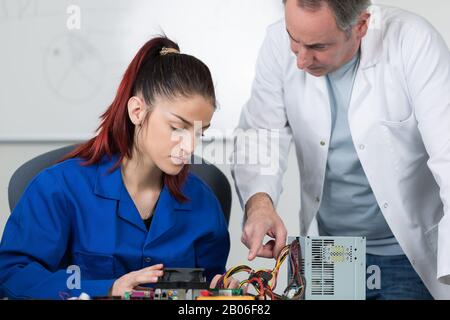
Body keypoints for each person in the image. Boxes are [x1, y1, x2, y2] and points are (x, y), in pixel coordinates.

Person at [232, 0, 450, 299]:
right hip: (331, 251)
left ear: (360, 26)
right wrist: (259, 204)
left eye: (317, 46)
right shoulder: (276, 43)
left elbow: (448, 153)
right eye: (294, 40)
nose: (300, 60)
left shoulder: (412, 42)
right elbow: (260, 134)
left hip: (407, 250)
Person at [0, 36, 230, 299]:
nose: (189, 147)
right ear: (137, 112)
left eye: (200, 132)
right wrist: (107, 288)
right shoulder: (58, 188)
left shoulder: (203, 204)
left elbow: (210, 288)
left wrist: (232, 293)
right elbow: (12, 274)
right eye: (177, 127)